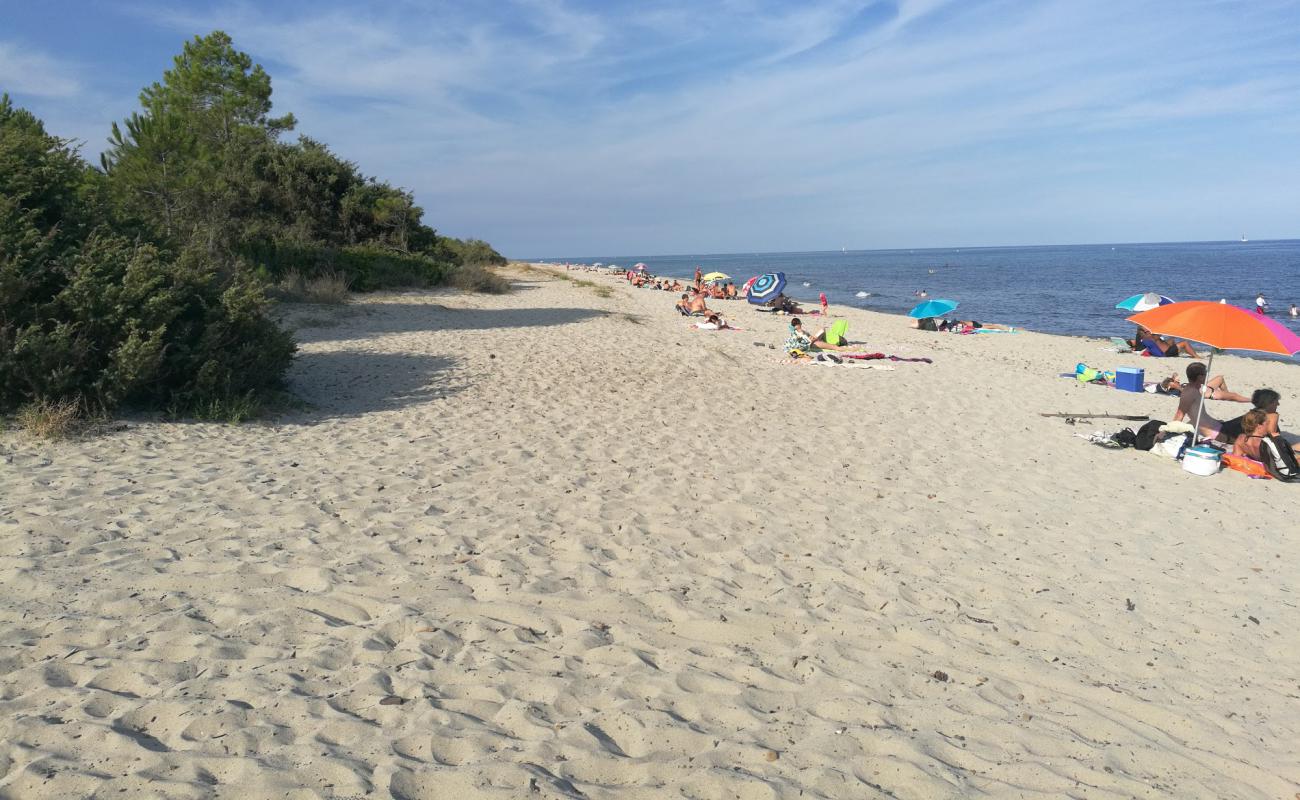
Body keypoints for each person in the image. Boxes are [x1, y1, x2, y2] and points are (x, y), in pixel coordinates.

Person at [1172, 362, 1243, 442]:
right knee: (1252, 420)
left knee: (1251, 418)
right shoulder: (1189, 393)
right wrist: (1169, 433)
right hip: (1218, 433)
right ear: (1199, 377)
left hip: (1219, 426)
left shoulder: (1196, 389)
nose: (1207, 376)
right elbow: (1179, 415)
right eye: (1205, 374)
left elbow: (1195, 416)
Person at [1159, 371, 1250, 402]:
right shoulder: (1179, 390)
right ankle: (1250, 399)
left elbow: (1175, 374)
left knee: (1220, 378)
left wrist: (1173, 378)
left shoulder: (1180, 386)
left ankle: (1227, 394)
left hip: (1205, 387)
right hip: (1210, 393)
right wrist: (1175, 385)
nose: (1177, 381)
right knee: (1234, 395)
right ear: (1171, 385)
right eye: (1174, 382)